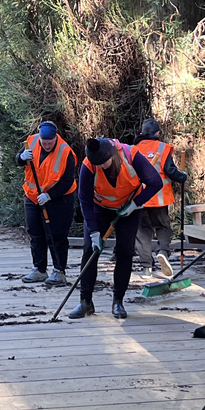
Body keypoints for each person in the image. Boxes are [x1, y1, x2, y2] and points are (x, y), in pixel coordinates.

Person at [70, 137, 163, 320]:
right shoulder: (89, 164)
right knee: (90, 250)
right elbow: (85, 200)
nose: (101, 167)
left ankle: (118, 301)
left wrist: (136, 204)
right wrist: (94, 231)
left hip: (129, 208)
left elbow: (155, 183)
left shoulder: (132, 155)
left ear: (112, 154)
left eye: (104, 163)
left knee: (125, 251)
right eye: (97, 164)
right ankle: (85, 301)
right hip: (100, 208)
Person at [17, 121, 77, 286]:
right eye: (45, 143)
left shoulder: (66, 153)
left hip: (59, 200)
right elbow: (18, 159)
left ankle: (59, 271)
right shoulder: (32, 142)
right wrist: (22, 158)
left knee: (56, 235)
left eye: (50, 143)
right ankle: (39, 269)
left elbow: (67, 181)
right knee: (35, 233)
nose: (47, 145)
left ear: (55, 138)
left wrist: (50, 195)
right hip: (32, 196)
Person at [132, 119, 187, 277]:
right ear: (157, 133)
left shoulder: (133, 149)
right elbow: (170, 171)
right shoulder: (162, 148)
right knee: (163, 227)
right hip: (159, 197)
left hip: (140, 197)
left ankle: (146, 268)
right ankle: (163, 251)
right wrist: (182, 177)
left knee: (142, 231)